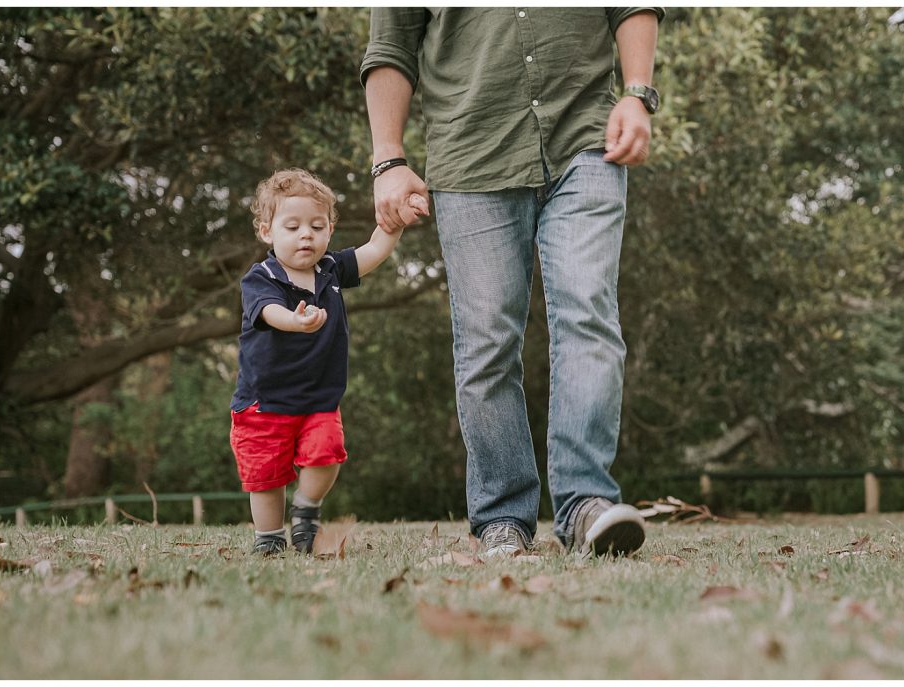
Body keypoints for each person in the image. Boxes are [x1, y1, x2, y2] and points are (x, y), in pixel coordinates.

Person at [360, 8, 664, 557]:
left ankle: (586, 504)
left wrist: (637, 93)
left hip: (585, 140)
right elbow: (392, 46)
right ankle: (503, 517)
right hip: (470, 156)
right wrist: (388, 160)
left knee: (587, 315)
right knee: (486, 344)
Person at [229, 168, 427, 555]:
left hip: (319, 398)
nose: (306, 234)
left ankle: (307, 507)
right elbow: (268, 312)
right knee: (266, 477)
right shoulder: (262, 278)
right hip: (264, 402)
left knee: (328, 451)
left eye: (317, 226)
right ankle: (268, 538)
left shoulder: (331, 270)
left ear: (329, 231)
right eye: (293, 226)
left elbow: (374, 249)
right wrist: (295, 321)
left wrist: (397, 220)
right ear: (267, 231)